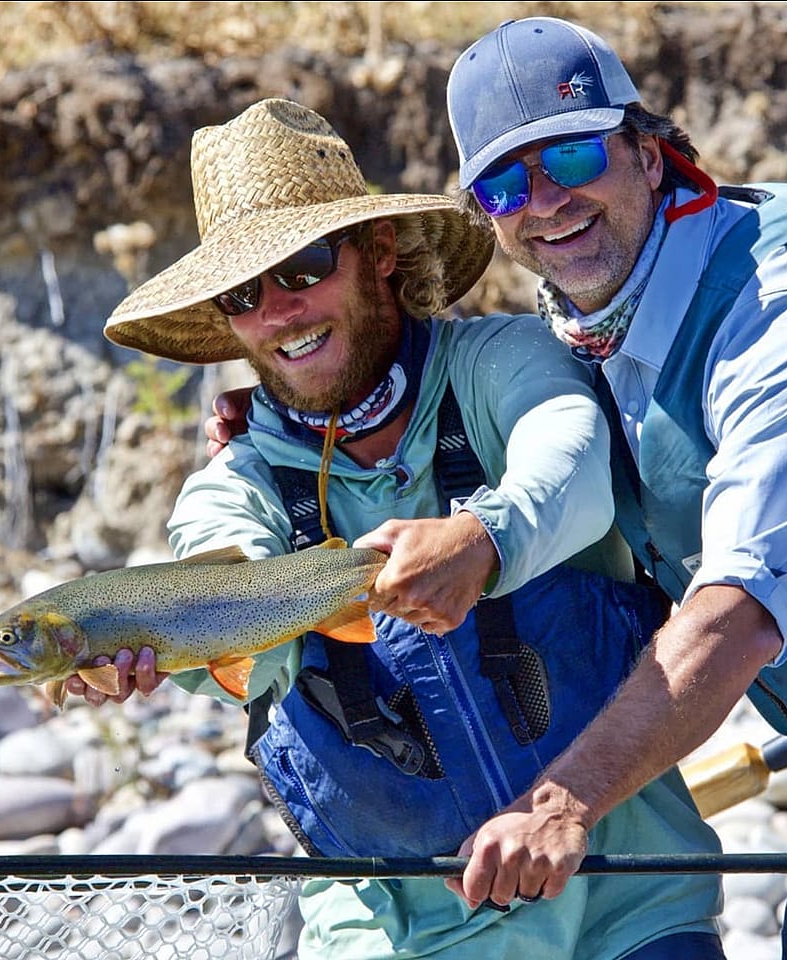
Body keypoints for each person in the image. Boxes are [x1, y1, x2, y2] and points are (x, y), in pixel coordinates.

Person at [85, 98, 727, 959]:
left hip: (630, 910)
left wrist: (484, 539)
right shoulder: (231, 484)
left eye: (305, 267)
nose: (280, 311)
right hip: (396, 938)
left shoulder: (505, 361)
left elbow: (570, 461)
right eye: (244, 293)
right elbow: (218, 588)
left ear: (380, 254)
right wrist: (146, 648)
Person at [439, 16, 787, 959]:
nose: (546, 201)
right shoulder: (582, 322)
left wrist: (562, 803)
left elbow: (742, 607)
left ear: (648, 148)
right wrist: (277, 426)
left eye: (572, 154)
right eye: (506, 184)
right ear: (486, 215)